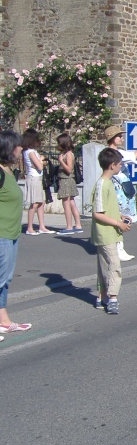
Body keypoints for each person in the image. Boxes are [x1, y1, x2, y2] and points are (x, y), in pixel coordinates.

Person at [91, 147, 132, 315]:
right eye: (120, 164)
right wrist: (118, 223)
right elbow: (97, 213)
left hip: (108, 232)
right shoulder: (102, 185)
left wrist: (120, 216)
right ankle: (113, 297)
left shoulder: (107, 183)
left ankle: (102, 297)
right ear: (112, 165)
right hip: (105, 232)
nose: (121, 167)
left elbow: (106, 209)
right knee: (114, 265)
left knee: (104, 266)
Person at [0, 130, 32, 336]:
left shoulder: (10, 172)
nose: (21, 149)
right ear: (9, 148)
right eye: (18, 146)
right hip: (1, 234)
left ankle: (3, 320)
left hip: (11, 234)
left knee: (5, 279)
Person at [105, 126, 137, 261]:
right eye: (119, 136)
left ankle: (119, 247)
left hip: (121, 187)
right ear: (113, 138)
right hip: (118, 188)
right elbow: (134, 156)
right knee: (121, 217)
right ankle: (118, 248)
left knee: (122, 216)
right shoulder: (113, 154)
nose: (122, 138)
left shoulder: (116, 152)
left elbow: (135, 157)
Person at [22, 129, 53, 235]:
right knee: (35, 203)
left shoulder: (30, 152)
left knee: (41, 202)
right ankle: (29, 227)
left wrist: (40, 160)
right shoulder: (30, 152)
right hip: (34, 178)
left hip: (37, 178)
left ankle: (42, 226)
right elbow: (39, 166)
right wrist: (41, 159)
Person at [55, 133, 84, 235]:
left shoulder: (68, 154)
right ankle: (78, 224)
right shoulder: (67, 153)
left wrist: (61, 161)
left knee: (66, 203)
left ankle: (69, 226)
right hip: (66, 180)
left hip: (66, 180)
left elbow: (69, 169)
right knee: (71, 202)